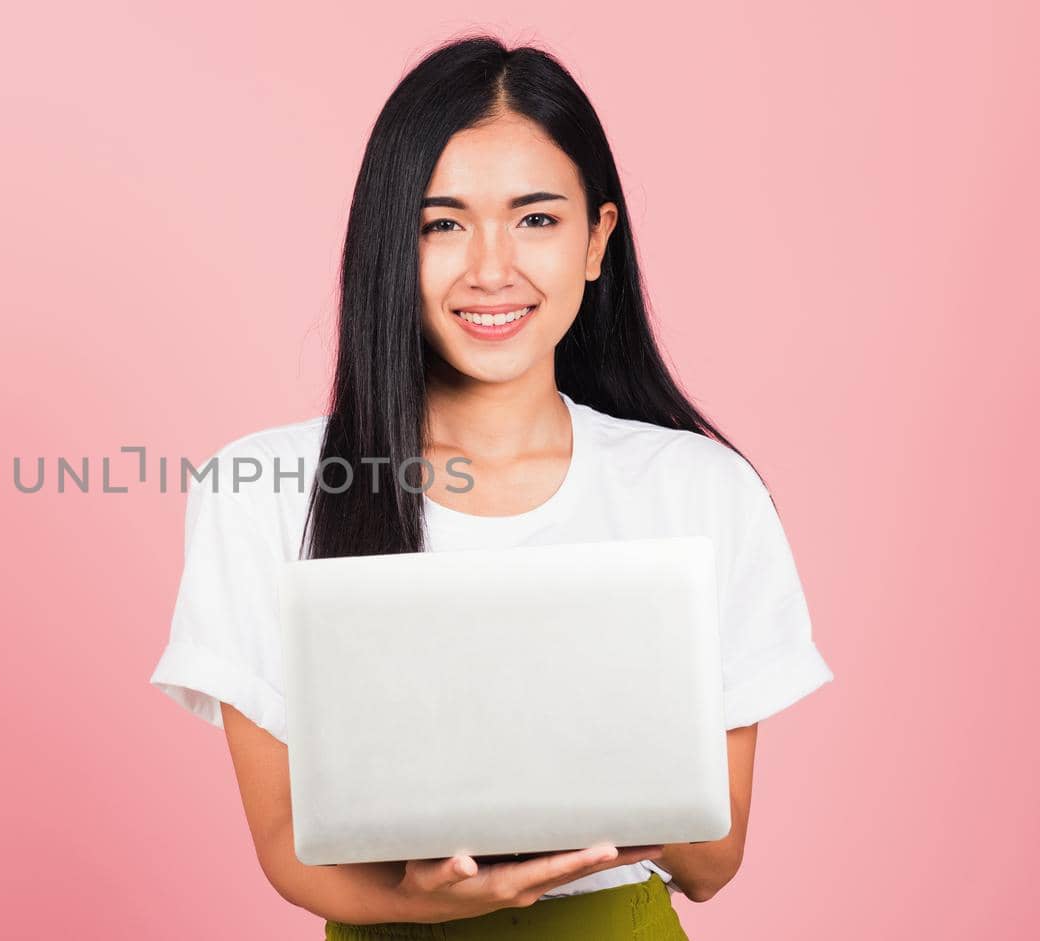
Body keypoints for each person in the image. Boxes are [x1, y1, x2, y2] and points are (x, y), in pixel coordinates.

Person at [148, 34, 834, 940]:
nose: (491, 269)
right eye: (443, 223)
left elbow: (713, 860)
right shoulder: (263, 492)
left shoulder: (701, 491)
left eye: (537, 219)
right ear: (390, 248)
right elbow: (286, 848)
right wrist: (419, 898)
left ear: (597, 240)